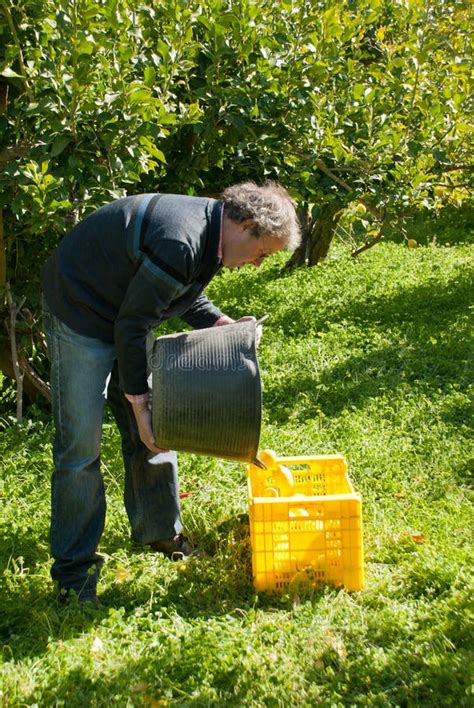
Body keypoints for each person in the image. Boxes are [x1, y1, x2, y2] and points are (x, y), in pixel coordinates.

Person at [41, 181, 301, 604]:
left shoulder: (214, 236)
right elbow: (132, 325)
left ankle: (161, 533)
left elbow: (179, 292)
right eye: (262, 253)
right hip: (80, 311)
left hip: (126, 311)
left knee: (159, 432)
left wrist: (220, 324)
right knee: (80, 449)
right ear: (247, 225)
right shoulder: (182, 238)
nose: (258, 264)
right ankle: (74, 575)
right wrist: (140, 404)